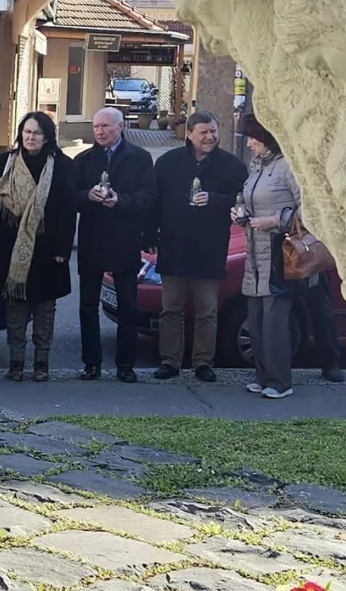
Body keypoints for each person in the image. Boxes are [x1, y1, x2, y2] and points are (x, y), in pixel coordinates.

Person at [0, 111, 76, 381]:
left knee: (45, 309)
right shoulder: (6, 162)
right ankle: (16, 363)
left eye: (37, 133)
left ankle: (42, 364)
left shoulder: (62, 165)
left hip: (47, 249)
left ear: (47, 137)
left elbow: (68, 210)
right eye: (27, 132)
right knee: (15, 308)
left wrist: (62, 250)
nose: (31, 138)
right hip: (10, 247)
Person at [152, 110, 247, 382]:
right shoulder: (168, 163)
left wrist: (216, 200)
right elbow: (154, 201)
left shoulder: (232, 166)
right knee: (171, 307)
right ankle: (170, 361)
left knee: (207, 309)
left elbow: (241, 200)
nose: (210, 137)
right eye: (203, 132)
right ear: (190, 134)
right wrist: (149, 236)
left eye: (213, 131)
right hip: (173, 245)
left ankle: (203, 362)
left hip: (210, 247)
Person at [71, 107, 155, 382]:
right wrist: (88, 196)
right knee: (86, 305)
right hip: (92, 240)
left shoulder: (140, 158)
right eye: (96, 127)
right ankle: (91, 363)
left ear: (121, 127)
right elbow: (70, 196)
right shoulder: (84, 159)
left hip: (125, 239)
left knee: (128, 306)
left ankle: (125, 365)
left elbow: (148, 197)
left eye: (106, 126)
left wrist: (120, 201)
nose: (100, 132)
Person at [235, 114, 302, 400]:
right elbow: (251, 201)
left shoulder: (287, 166)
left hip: (279, 254)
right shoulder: (258, 166)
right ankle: (263, 376)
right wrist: (242, 216)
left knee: (275, 322)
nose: (249, 143)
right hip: (255, 251)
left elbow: (309, 208)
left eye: (253, 138)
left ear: (267, 138)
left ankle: (280, 381)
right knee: (258, 318)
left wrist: (274, 221)